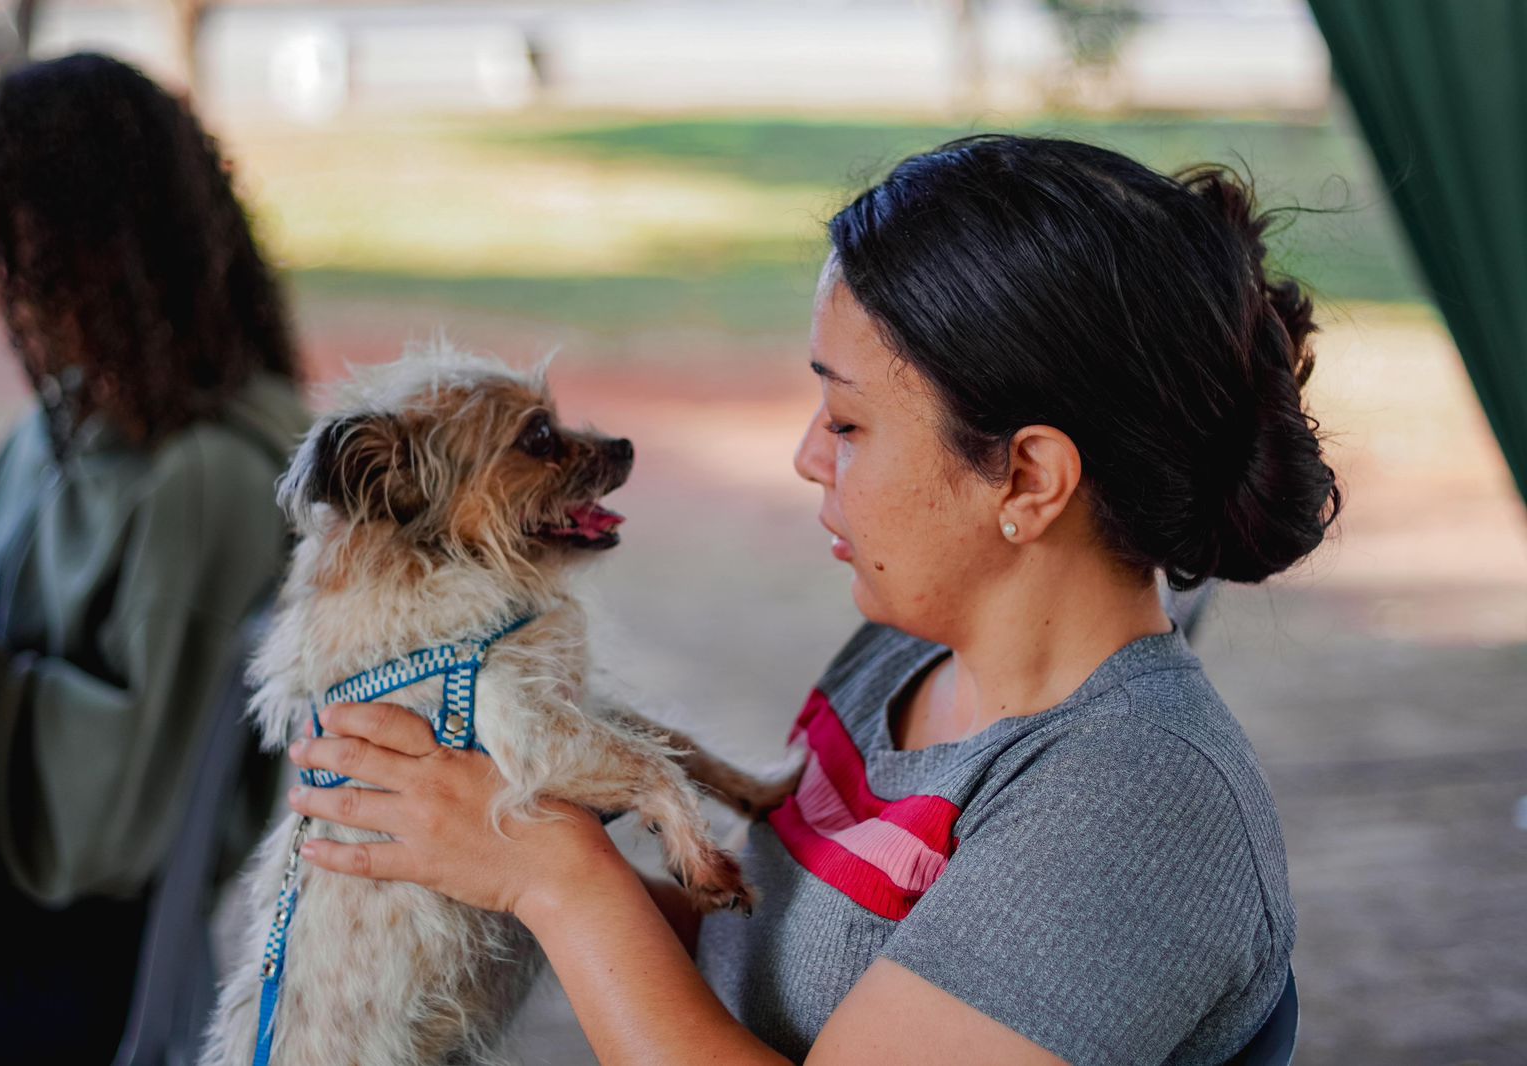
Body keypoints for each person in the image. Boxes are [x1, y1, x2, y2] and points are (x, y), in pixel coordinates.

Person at [285, 134, 1338, 1065]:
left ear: (1026, 478)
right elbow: (770, 965)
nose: (802, 457)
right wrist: (472, 844)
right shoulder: (907, 656)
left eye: (846, 422)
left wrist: (557, 877)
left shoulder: (1130, 806)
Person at [0, 53, 311, 1062]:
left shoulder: (211, 480)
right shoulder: (73, 421)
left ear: (96, 251)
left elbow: (117, 829)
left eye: (5, 252)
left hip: (58, 959)